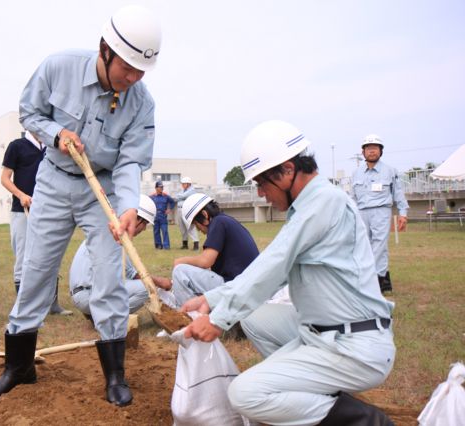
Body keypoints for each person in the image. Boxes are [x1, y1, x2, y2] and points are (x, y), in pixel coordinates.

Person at [0, 5, 162, 407]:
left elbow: (132, 160)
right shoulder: (58, 67)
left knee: (108, 276)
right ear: (105, 50)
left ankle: (115, 374)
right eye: (127, 69)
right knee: (36, 270)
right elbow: (29, 112)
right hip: (53, 180)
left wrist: (129, 206)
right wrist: (56, 132)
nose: (132, 79)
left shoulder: (141, 103)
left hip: (103, 188)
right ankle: (19, 367)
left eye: (141, 72)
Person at [182, 120, 395, 425]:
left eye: (262, 183)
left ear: (287, 170)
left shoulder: (324, 203)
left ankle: (366, 421)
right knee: (255, 318)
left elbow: (274, 265)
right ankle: (318, 397)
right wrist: (211, 298)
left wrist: (217, 319)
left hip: (354, 345)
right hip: (324, 333)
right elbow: (270, 269)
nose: (261, 194)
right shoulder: (310, 206)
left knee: (244, 394)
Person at [1, 130, 72, 315]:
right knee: (23, 258)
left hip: (49, 210)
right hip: (22, 210)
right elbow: (5, 178)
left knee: (51, 256)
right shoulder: (16, 146)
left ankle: (52, 305)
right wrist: (21, 195)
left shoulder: (51, 147)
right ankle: (23, 307)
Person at [69, 194, 171, 317]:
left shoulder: (109, 229)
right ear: (136, 218)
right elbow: (134, 275)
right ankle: (109, 317)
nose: (144, 229)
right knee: (147, 287)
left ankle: (97, 313)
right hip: (87, 295)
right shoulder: (116, 235)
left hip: (84, 293)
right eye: (145, 223)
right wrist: (160, 282)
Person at [154, 193, 259, 308]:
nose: (198, 230)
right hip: (246, 286)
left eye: (196, 224)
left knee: (180, 271)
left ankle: (189, 315)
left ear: (204, 215)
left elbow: (205, 261)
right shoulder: (226, 221)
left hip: (237, 287)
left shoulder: (218, 222)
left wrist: (180, 260)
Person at [351, 134, 408, 293]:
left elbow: (398, 193)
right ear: (363, 152)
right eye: (368, 148)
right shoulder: (356, 173)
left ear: (380, 151)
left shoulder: (390, 171)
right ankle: (384, 280)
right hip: (362, 213)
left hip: (381, 211)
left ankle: (371, 280)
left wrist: (403, 213)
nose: (372, 151)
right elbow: (352, 198)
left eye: (375, 148)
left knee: (379, 245)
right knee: (366, 245)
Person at [174, 176, 199, 250]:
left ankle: (196, 244)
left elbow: (181, 196)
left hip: (187, 210)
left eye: (184, 184)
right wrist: (179, 196)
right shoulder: (183, 190)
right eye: (182, 184)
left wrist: (179, 196)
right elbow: (178, 197)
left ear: (188, 184)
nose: (182, 185)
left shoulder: (192, 190)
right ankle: (185, 244)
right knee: (182, 228)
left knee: (190, 227)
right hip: (179, 210)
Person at [150, 181, 175, 250]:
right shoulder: (152, 197)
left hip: (163, 216)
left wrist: (169, 209)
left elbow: (172, 202)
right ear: (156, 188)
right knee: (156, 231)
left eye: (162, 187)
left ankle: (166, 246)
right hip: (155, 216)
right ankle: (158, 245)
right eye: (160, 187)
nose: (161, 188)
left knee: (165, 231)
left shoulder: (165, 196)